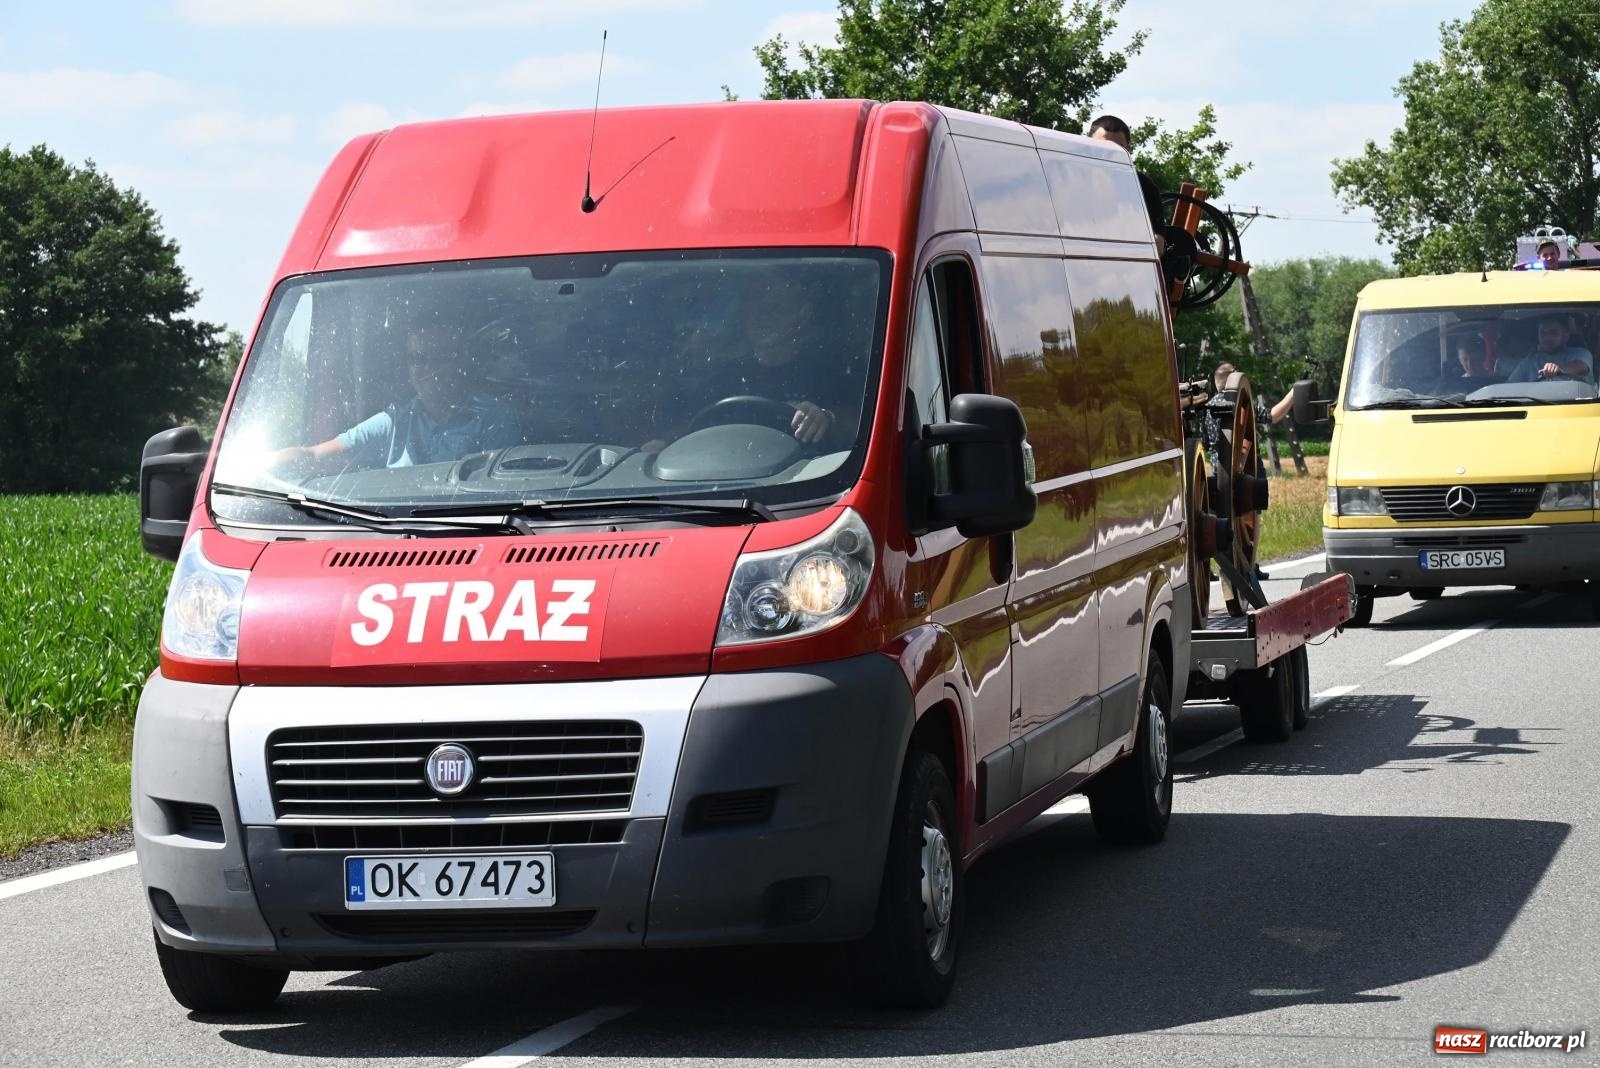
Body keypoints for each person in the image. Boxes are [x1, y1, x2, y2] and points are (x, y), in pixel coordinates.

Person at [271, 322, 521, 470]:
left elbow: (500, 492)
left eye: (439, 356)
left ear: (459, 363)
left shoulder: (492, 417)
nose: (428, 368)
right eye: (418, 359)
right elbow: (315, 455)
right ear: (408, 372)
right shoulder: (394, 421)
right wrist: (256, 468)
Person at [644, 278, 846, 452]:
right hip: (720, 483)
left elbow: (864, 427)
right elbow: (692, 425)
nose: (763, 314)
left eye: (777, 304)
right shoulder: (723, 376)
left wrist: (827, 419)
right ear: (742, 311)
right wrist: (666, 445)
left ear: (803, 313)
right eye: (752, 302)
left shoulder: (832, 367)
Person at [1087, 115, 1166, 257]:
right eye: (1102, 147)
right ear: (1087, 144)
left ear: (1128, 150)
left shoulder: (1144, 187)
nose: (1108, 155)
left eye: (1117, 149)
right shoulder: (1066, 179)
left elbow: (1159, 246)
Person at [1499, 314, 1594, 383]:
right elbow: (1510, 385)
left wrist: (1559, 370)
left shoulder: (1581, 353)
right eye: (1543, 333)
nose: (1547, 337)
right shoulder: (1530, 361)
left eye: (1554, 332)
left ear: (1565, 334)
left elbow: (1581, 367)